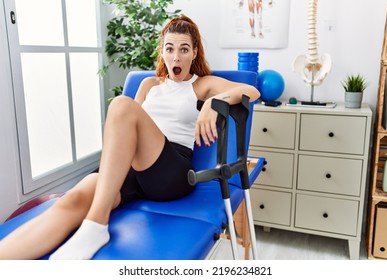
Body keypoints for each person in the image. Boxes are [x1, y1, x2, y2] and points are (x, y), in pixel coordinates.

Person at [0, 15, 260, 260]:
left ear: (194, 52)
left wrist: (212, 101)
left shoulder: (201, 85)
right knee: (74, 199)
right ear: (162, 52)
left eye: (183, 49)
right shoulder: (149, 85)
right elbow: (125, 133)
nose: (176, 56)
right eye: (169, 49)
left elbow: (251, 90)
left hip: (171, 171)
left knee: (122, 106)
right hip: (132, 171)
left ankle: (96, 225)